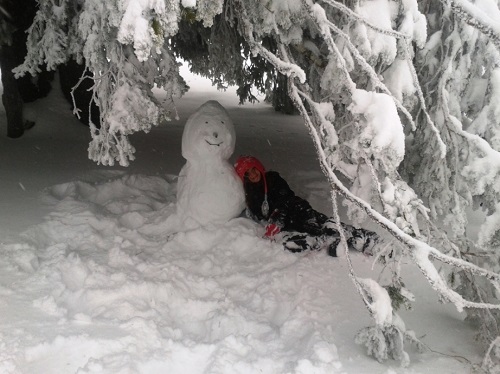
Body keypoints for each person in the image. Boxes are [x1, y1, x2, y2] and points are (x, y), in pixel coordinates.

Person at [234, 156, 380, 257]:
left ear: (258, 167)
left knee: (321, 224)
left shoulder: (272, 178)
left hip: (297, 210)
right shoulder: (250, 196)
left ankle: (362, 237)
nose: (253, 175)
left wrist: (277, 218)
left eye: (254, 170)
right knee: (313, 231)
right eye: (248, 174)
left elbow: (285, 198)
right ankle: (336, 240)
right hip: (287, 224)